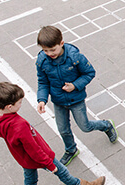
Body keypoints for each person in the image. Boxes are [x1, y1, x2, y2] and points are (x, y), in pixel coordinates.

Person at [0, 82, 106, 185]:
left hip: (23, 158)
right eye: (19, 103)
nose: (21, 104)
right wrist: (49, 164)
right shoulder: (18, 125)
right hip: (40, 156)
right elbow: (33, 148)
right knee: (62, 172)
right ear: (10, 107)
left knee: (30, 178)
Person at [36, 26, 117, 166]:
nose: (49, 53)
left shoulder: (74, 56)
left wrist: (75, 85)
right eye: (45, 50)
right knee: (63, 130)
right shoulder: (42, 61)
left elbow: (89, 73)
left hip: (76, 99)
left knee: (85, 126)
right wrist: (42, 99)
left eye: (52, 49)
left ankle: (106, 125)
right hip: (59, 101)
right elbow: (42, 82)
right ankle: (71, 150)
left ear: (61, 43)